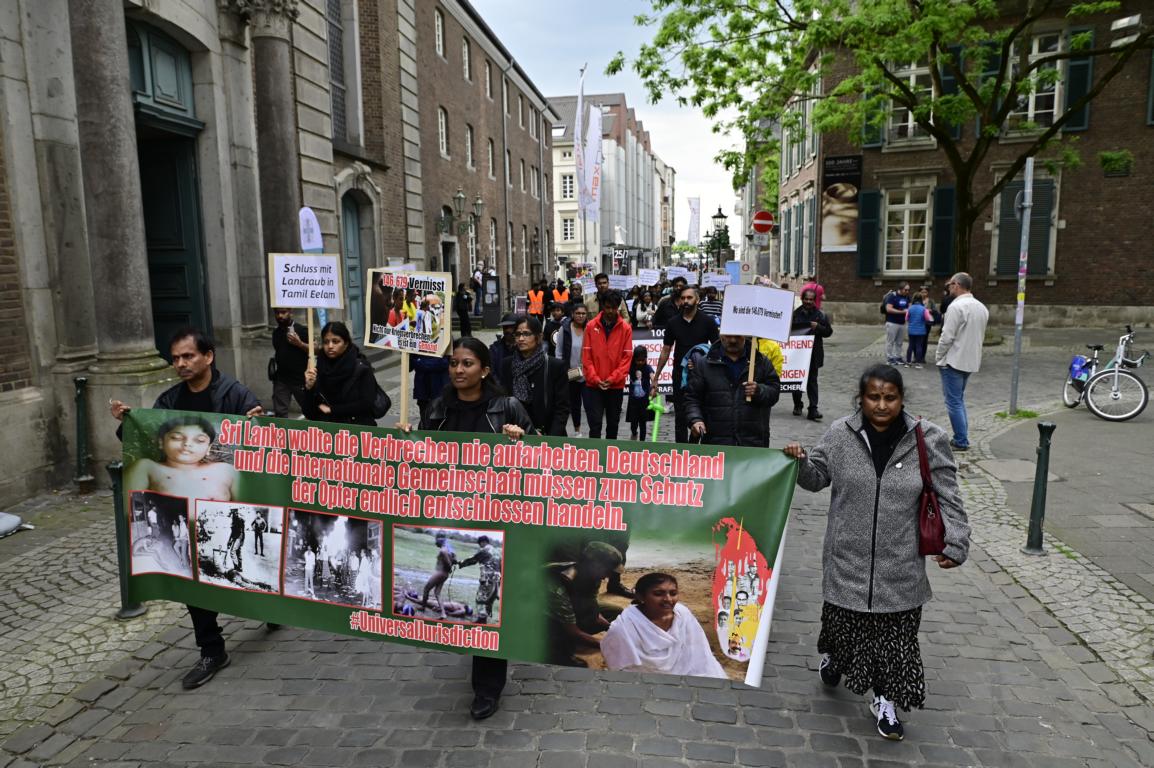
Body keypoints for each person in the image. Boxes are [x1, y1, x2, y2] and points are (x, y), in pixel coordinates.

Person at [783, 364, 970, 742]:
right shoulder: (841, 434)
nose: (882, 405)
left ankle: (885, 699)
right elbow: (816, 479)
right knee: (842, 625)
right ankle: (836, 656)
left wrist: (957, 541)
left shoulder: (927, 439)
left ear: (901, 399)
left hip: (900, 564)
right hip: (847, 559)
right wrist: (800, 461)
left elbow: (949, 497)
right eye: (874, 397)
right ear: (861, 399)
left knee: (894, 642)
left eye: (890, 398)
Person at [110, 327, 263, 690]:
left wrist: (257, 422)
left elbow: (259, 446)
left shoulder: (235, 394)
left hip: (228, 505)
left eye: (188, 356)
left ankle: (267, 609)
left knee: (241, 565)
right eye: (176, 358)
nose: (180, 363)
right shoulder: (169, 400)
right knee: (193, 579)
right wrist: (128, 422)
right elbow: (146, 439)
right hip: (187, 509)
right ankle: (212, 649)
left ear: (208, 356)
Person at [402, 337, 532, 720]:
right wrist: (408, 440)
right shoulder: (438, 408)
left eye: (467, 363)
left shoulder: (507, 407)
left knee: (490, 606)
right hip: (452, 510)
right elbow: (423, 458)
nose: (458, 370)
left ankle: (487, 688)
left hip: (495, 515)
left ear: (485, 370)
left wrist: (521, 440)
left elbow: (543, 454)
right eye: (453, 363)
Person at [600, 573, 727, 678]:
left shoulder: (683, 614)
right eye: (658, 594)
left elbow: (699, 654)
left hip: (687, 672)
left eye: (673, 593)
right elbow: (618, 663)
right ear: (640, 596)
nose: (668, 599)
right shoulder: (624, 626)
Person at [684, 334, 780, 446]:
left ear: (745, 336)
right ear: (721, 335)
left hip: (752, 443)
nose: (733, 340)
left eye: (738, 336)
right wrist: (695, 419)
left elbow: (774, 392)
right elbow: (692, 398)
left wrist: (759, 391)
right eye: (728, 336)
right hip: (716, 443)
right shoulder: (704, 364)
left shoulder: (761, 362)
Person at [651, 285, 719, 443]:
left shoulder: (707, 321)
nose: (686, 301)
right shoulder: (673, 323)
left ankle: (694, 446)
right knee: (680, 417)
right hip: (679, 375)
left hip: (702, 375)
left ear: (697, 299)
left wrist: (701, 362)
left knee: (701, 414)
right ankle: (681, 451)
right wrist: (656, 377)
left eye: (689, 297)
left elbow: (716, 348)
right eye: (683, 298)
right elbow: (666, 350)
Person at [545, 542, 625, 667]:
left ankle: (577, 639)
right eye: (607, 571)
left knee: (616, 613)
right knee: (561, 637)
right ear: (593, 565)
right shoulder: (557, 584)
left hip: (568, 612)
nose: (607, 577)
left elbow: (593, 611)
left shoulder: (593, 577)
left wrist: (613, 629)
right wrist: (605, 645)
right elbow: (573, 631)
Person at [935, 273, 989, 452]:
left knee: (953, 402)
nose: (949, 287)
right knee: (958, 400)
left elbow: (947, 336)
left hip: (954, 359)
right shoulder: (982, 307)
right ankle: (962, 436)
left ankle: (961, 439)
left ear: (957, 285)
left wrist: (939, 356)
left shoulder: (956, 307)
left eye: (950, 284)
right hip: (971, 360)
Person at [124, 416, 237, 501]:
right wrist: (126, 417)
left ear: (208, 448)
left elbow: (245, 506)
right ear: (161, 442)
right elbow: (129, 511)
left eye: (199, 440)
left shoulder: (226, 470)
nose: (187, 444)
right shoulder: (146, 467)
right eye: (177, 437)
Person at [498, 315, 569, 436]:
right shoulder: (507, 364)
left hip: (548, 435)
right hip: (515, 434)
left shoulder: (554, 366)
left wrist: (550, 439)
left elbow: (562, 409)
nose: (521, 338)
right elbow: (503, 401)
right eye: (518, 334)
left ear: (539, 337)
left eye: (526, 334)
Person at [302, 321, 377, 426]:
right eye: (326, 342)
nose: (330, 346)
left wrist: (333, 409)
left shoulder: (361, 368)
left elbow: (367, 404)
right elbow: (309, 413)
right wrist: (309, 388)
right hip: (328, 431)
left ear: (346, 343)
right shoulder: (317, 369)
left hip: (356, 429)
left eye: (336, 341)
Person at [581, 291, 633, 439]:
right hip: (594, 385)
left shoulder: (625, 328)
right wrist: (595, 379)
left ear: (618, 307)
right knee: (595, 424)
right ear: (603, 306)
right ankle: (594, 452)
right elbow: (586, 357)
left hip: (615, 386)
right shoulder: (591, 326)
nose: (610, 311)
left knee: (613, 424)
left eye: (614, 308)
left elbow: (627, 358)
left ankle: (610, 452)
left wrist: (612, 379)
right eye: (608, 307)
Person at [790, 288, 833, 421]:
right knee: (797, 380)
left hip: (814, 354)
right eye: (806, 299)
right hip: (797, 353)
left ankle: (813, 409)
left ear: (814, 300)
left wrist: (818, 327)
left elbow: (828, 332)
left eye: (811, 299)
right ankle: (798, 404)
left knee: (812, 381)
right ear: (802, 299)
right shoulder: (795, 314)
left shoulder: (820, 315)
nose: (808, 302)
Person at [555, 304, 590, 434]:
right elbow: (559, 351)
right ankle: (577, 431)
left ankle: (593, 432)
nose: (580, 316)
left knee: (590, 404)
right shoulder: (564, 329)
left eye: (583, 313)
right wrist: (562, 370)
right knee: (574, 404)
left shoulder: (590, 329)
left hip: (587, 374)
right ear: (572, 314)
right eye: (578, 313)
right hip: (571, 374)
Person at [270, 308, 310, 417]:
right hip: (281, 379)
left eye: (283, 312)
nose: (280, 316)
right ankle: (282, 429)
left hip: (300, 380)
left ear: (291, 312)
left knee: (310, 410)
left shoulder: (302, 330)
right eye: (277, 313)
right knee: (280, 412)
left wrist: (300, 343)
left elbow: (316, 349)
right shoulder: (276, 333)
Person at [458, 535, 502, 623]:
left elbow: (473, 560)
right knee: (489, 598)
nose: (480, 546)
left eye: (480, 544)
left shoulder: (485, 550)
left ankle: (482, 619)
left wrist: (460, 563)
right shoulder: (497, 552)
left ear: (483, 542)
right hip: (497, 578)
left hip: (488, 578)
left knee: (480, 597)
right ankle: (484, 617)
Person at [419, 533, 457, 619]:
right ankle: (443, 613)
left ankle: (423, 607)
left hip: (440, 573)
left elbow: (448, 563)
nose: (435, 543)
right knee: (437, 593)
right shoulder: (449, 550)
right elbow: (454, 560)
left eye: (436, 540)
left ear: (440, 540)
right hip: (445, 574)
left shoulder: (443, 550)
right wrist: (450, 565)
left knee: (426, 589)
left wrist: (449, 568)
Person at [412, 352, 450, 425]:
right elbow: (409, 364)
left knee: (442, 422)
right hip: (422, 390)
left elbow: (444, 362)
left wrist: (419, 362)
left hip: (441, 390)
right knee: (425, 422)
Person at [625, 347, 655, 440]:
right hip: (633, 402)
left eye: (643, 360)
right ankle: (634, 433)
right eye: (638, 360)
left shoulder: (648, 368)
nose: (640, 362)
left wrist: (654, 386)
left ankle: (642, 441)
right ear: (634, 359)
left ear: (646, 358)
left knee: (643, 423)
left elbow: (652, 377)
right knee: (633, 423)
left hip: (644, 402)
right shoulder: (631, 367)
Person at [883, 283, 911, 366]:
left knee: (899, 342)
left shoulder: (907, 297)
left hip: (902, 323)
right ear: (900, 289)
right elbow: (888, 309)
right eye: (906, 290)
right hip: (892, 322)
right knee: (890, 341)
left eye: (908, 290)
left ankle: (898, 357)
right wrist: (902, 312)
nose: (907, 291)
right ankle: (889, 358)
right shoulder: (892, 296)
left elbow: (910, 307)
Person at [904, 290, 932, 369]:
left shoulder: (910, 308)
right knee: (919, 346)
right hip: (921, 330)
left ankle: (908, 362)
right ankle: (918, 363)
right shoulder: (924, 309)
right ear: (921, 299)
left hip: (911, 330)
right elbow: (928, 318)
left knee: (910, 345)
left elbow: (906, 318)